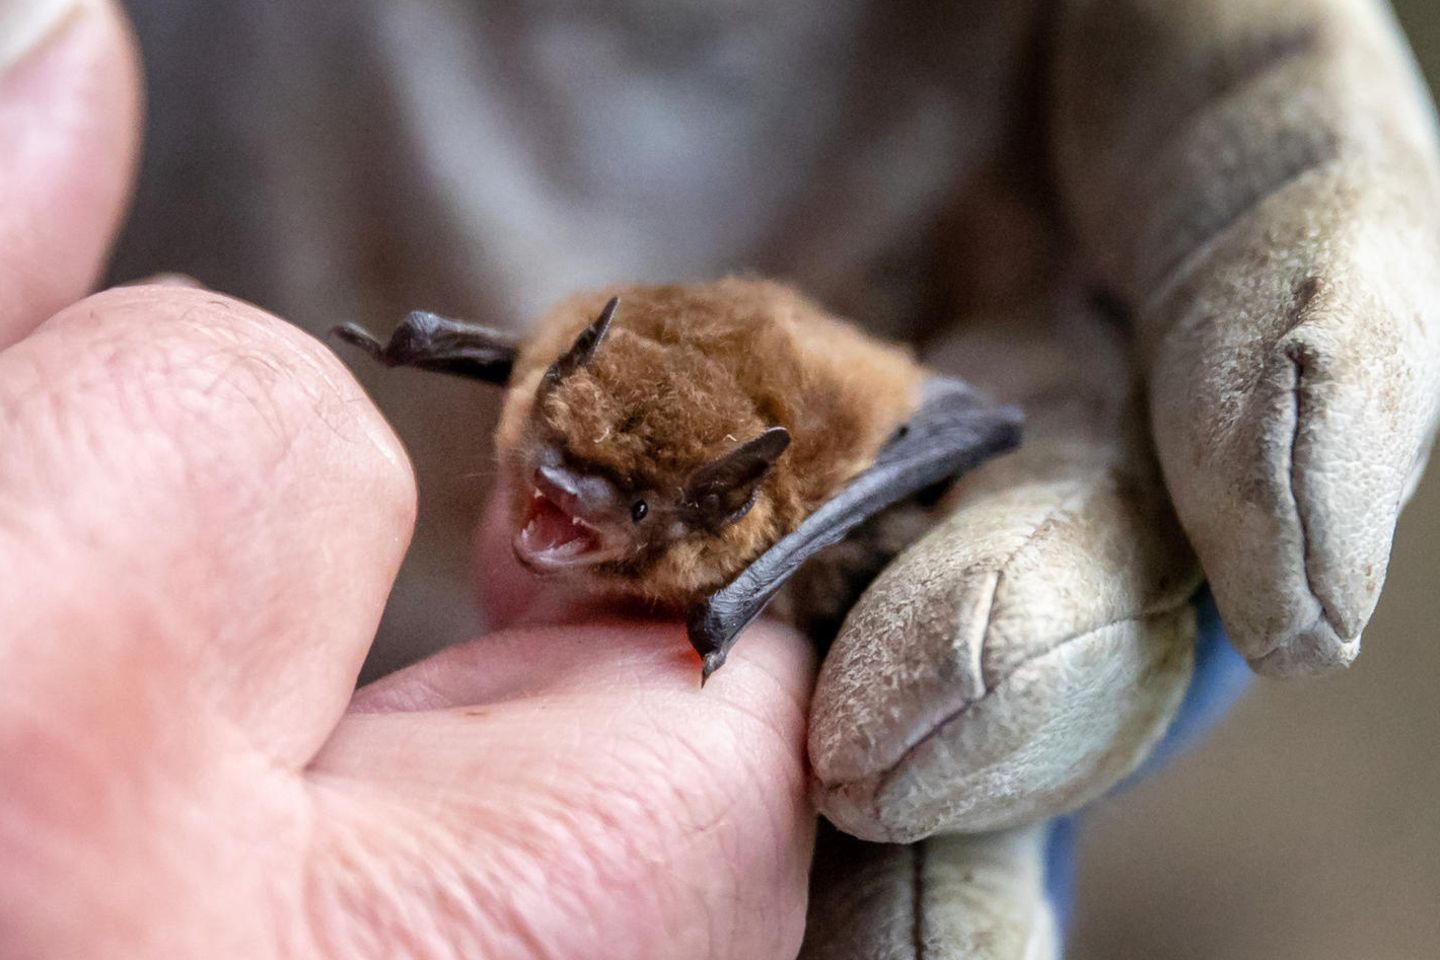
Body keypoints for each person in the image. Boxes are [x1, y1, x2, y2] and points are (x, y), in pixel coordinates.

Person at [3, 1, 1437, 957]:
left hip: (853, 453)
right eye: (556, 457)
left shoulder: (766, 513)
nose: (562, 504)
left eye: (615, 503)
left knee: (927, 733)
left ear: (717, 512)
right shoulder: (574, 365)